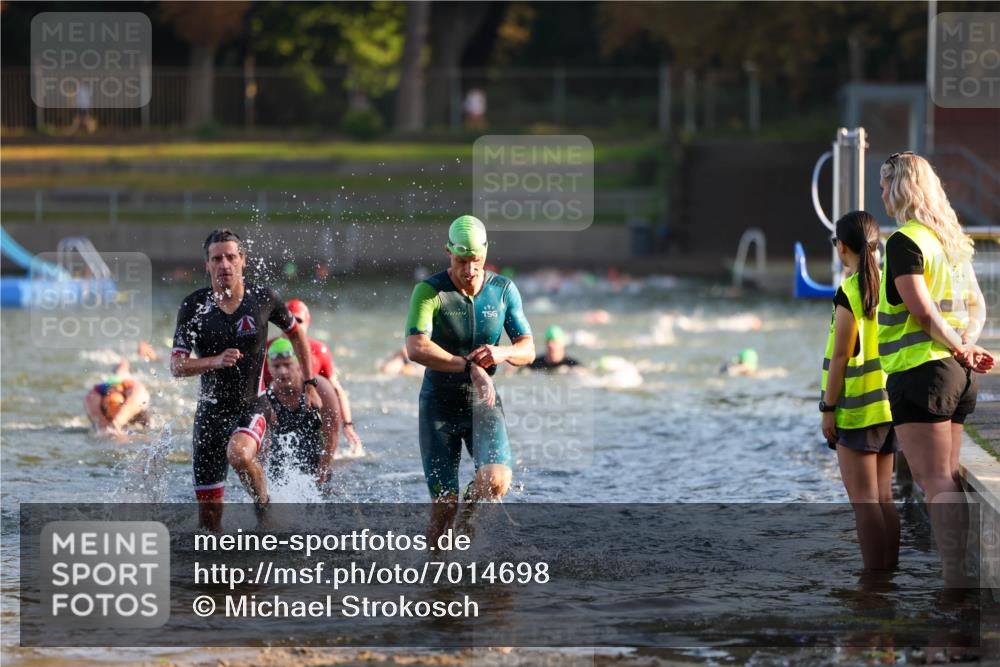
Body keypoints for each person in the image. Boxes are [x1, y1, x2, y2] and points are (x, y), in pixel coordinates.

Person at [876, 152, 994, 585]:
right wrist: (965, 347)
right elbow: (978, 306)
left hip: (920, 373)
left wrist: (957, 349)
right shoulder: (951, 240)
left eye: (886, 184)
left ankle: (953, 582)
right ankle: (959, 576)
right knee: (948, 476)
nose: (882, 193)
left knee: (936, 482)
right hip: (957, 378)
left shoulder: (905, 241)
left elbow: (923, 315)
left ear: (902, 186)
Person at [170, 229, 319, 530]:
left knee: (238, 454)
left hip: (252, 405)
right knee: (209, 523)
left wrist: (310, 383)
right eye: (217, 259)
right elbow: (177, 365)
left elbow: (297, 335)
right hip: (209, 415)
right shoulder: (194, 307)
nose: (224, 264)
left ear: (242, 261)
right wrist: (214, 361)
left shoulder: (263, 298)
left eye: (230, 257)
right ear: (207, 265)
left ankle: (264, 504)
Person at [404, 215, 534, 540]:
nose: (470, 271)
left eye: (476, 261)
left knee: (496, 480)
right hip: (439, 406)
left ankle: (467, 523)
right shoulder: (430, 291)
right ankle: (435, 573)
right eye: (461, 261)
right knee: (444, 505)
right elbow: (416, 347)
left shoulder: (503, 290)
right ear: (448, 252)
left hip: (483, 403)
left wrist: (502, 354)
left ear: (486, 253)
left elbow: (527, 349)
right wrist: (469, 366)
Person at [820, 211, 899, 572]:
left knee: (864, 503)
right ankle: (889, 576)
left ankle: (873, 585)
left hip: (855, 410)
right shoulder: (888, 285)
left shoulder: (850, 292)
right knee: (884, 499)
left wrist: (827, 408)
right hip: (888, 406)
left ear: (842, 246)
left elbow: (840, 357)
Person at [261, 298, 363, 455]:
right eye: (290, 320)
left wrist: (348, 425)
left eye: (299, 321)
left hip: (308, 408)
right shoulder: (268, 350)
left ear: (307, 323)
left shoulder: (319, 350)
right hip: (278, 409)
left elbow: (336, 389)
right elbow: (255, 386)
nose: (294, 325)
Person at [263, 339, 341, 489]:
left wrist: (321, 474)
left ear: (298, 364)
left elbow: (332, 435)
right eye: (277, 366)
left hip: (316, 460)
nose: (282, 371)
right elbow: (263, 448)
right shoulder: (266, 399)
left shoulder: (321, 388)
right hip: (282, 465)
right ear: (269, 369)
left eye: (287, 364)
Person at [85, 358, 150, 440]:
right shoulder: (98, 394)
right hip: (112, 384)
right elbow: (90, 398)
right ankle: (123, 363)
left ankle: (124, 362)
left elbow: (140, 393)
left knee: (122, 370)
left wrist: (117, 423)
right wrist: (102, 424)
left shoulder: (131, 389)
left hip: (123, 385)